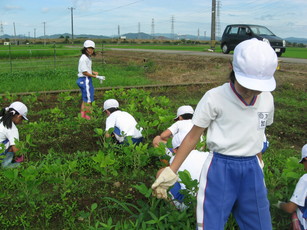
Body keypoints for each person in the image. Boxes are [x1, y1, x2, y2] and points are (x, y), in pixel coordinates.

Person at [152, 38, 278, 230]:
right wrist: (172, 170)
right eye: (245, 86)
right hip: (221, 168)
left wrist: (259, 163)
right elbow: (193, 137)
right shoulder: (215, 97)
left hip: (251, 168)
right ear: (232, 68)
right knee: (211, 224)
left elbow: (259, 132)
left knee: (260, 224)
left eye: (257, 89)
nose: (251, 93)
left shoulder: (267, 99)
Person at [274, 144, 307, 230]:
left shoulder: (305, 179)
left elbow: (290, 208)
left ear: (306, 159)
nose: (304, 168)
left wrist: (278, 204)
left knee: (295, 213)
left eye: (303, 163)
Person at [77, 40, 105, 120]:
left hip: (85, 79)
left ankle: (83, 117)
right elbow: (84, 72)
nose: (91, 50)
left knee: (85, 99)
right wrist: (96, 77)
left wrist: (93, 72)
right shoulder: (83, 58)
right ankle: (89, 118)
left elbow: (86, 69)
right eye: (89, 48)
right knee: (89, 100)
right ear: (85, 48)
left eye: (92, 49)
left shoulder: (87, 57)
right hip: (85, 79)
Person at [0, 101, 28, 168]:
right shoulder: (12, 129)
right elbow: (16, 149)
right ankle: (6, 166)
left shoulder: (1, 118)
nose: (21, 122)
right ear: (19, 116)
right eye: (22, 119)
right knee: (13, 144)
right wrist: (21, 158)